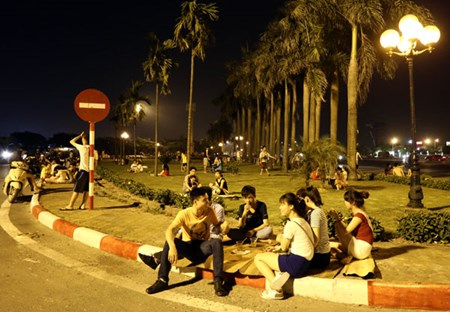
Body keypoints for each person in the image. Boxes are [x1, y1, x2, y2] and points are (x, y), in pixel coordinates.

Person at [143, 186, 230, 297]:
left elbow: (217, 225)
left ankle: (218, 282)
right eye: (205, 200)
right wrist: (173, 248)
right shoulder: (184, 214)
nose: (208, 202)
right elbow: (169, 230)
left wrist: (224, 225)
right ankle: (162, 280)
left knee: (217, 242)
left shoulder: (209, 211)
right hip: (188, 247)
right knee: (170, 241)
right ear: (195, 201)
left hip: (202, 247)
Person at [254, 193, 314, 300]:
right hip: (306, 264)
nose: (280, 207)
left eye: (282, 204)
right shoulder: (303, 221)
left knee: (258, 258)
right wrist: (276, 248)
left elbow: (284, 247)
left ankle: (276, 289)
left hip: (296, 263)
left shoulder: (291, 224)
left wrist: (280, 237)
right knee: (272, 255)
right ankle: (279, 276)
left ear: (291, 206)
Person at [328, 189, 373, 261]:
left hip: (361, 250)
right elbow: (348, 229)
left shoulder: (359, 216)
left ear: (353, 202)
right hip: (363, 249)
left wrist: (337, 218)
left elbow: (346, 231)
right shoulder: (361, 213)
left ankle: (340, 256)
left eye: (346, 200)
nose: (345, 202)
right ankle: (341, 256)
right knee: (336, 246)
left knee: (337, 226)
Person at [296, 186, 331, 269]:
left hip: (319, 257)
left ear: (307, 199)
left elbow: (316, 238)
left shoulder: (315, 213)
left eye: (299, 200)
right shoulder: (314, 211)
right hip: (320, 255)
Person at [61, 132, 89, 210]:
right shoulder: (94, 150)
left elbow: (71, 141)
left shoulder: (82, 148)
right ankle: (83, 205)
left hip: (83, 171)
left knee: (76, 189)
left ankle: (71, 205)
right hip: (90, 172)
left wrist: (79, 136)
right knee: (86, 189)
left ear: (84, 140)